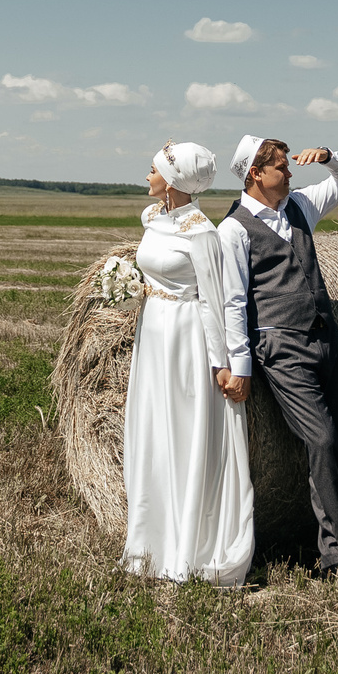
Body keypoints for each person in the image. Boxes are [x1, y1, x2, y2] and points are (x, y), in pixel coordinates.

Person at [217, 134, 338, 586]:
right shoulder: (232, 230)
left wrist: (331, 157)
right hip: (281, 347)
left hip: (325, 338)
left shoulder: (299, 206)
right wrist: (240, 367)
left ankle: (334, 558)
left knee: (337, 447)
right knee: (324, 439)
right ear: (256, 174)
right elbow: (232, 303)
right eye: (281, 167)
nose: (290, 173)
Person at [120, 140, 254, 585]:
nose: (147, 176)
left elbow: (215, 303)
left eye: (153, 169)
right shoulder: (155, 218)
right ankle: (148, 540)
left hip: (184, 341)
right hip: (152, 333)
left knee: (181, 433)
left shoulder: (201, 232)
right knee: (153, 431)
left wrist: (224, 363)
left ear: (173, 180)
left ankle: (183, 544)